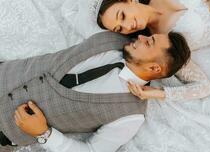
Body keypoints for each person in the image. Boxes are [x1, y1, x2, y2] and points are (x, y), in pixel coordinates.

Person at [62, 0, 210, 101]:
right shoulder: (162, 45)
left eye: (122, 16)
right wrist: (155, 93)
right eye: (119, 29)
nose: (127, 27)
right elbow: (203, 87)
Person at [0, 31, 191, 152]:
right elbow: (78, 7)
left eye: (149, 42)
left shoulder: (131, 115)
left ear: (155, 69)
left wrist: (44, 134)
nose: (141, 37)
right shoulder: (112, 36)